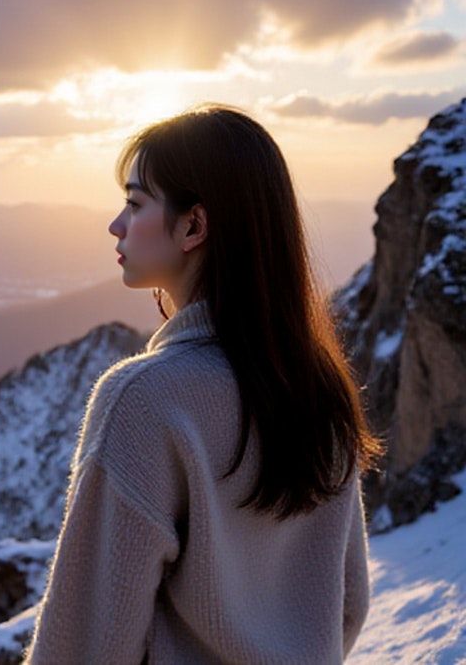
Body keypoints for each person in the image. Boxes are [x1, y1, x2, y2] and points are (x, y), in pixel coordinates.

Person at [23, 105, 382, 664]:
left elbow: (83, 647)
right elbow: (346, 604)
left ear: (194, 226)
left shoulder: (145, 401)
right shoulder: (319, 393)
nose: (116, 225)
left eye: (136, 203)